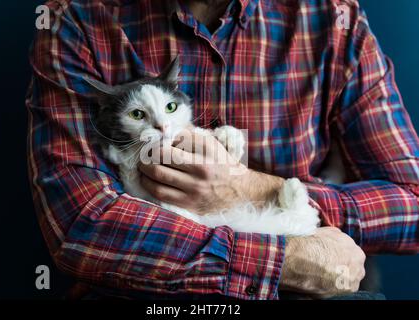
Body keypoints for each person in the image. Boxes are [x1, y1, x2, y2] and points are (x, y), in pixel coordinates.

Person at [26, 0, 419, 300]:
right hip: (145, 293)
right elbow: (81, 225)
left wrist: (250, 187)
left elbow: (414, 203)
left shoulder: (335, 22)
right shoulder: (76, 20)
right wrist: (284, 261)